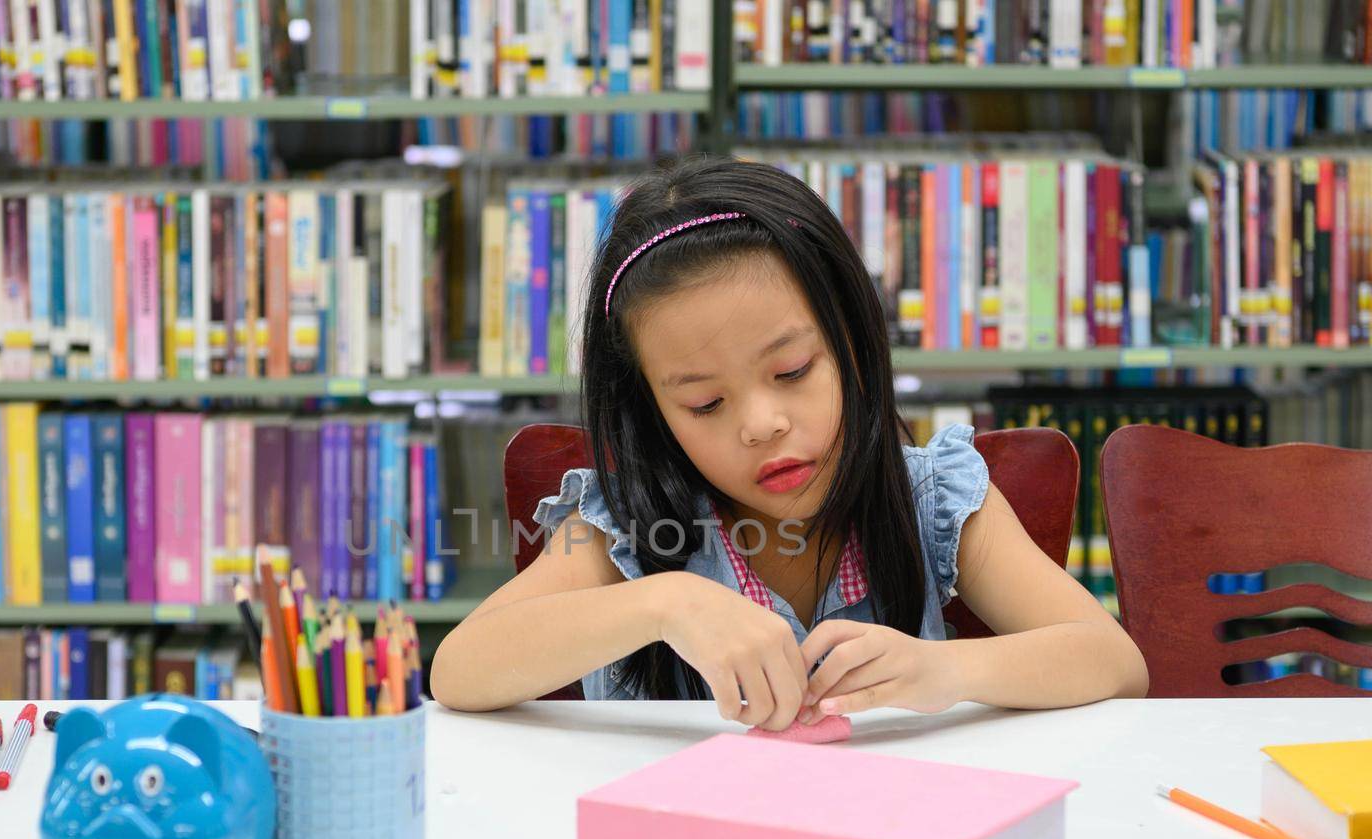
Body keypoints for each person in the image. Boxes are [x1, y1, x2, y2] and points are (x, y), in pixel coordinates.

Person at [430, 156, 1147, 728]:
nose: (761, 423)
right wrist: (668, 603)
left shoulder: (931, 497)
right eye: (704, 402)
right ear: (654, 411)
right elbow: (458, 669)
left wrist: (947, 672)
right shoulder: (626, 527)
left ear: (853, 347)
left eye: (793, 370)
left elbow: (1114, 662)